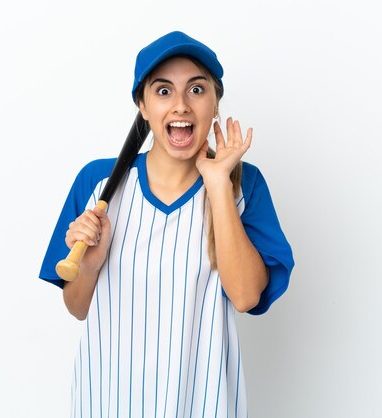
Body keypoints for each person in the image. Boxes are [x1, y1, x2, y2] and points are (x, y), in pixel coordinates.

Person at [39, 30, 294, 418]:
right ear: (142, 106)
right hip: (107, 402)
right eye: (162, 91)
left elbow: (246, 297)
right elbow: (77, 308)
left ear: (215, 102)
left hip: (203, 405)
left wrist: (218, 186)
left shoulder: (245, 184)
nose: (180, 105)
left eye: (196, 90)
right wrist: (90, 266)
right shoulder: (98, 184)